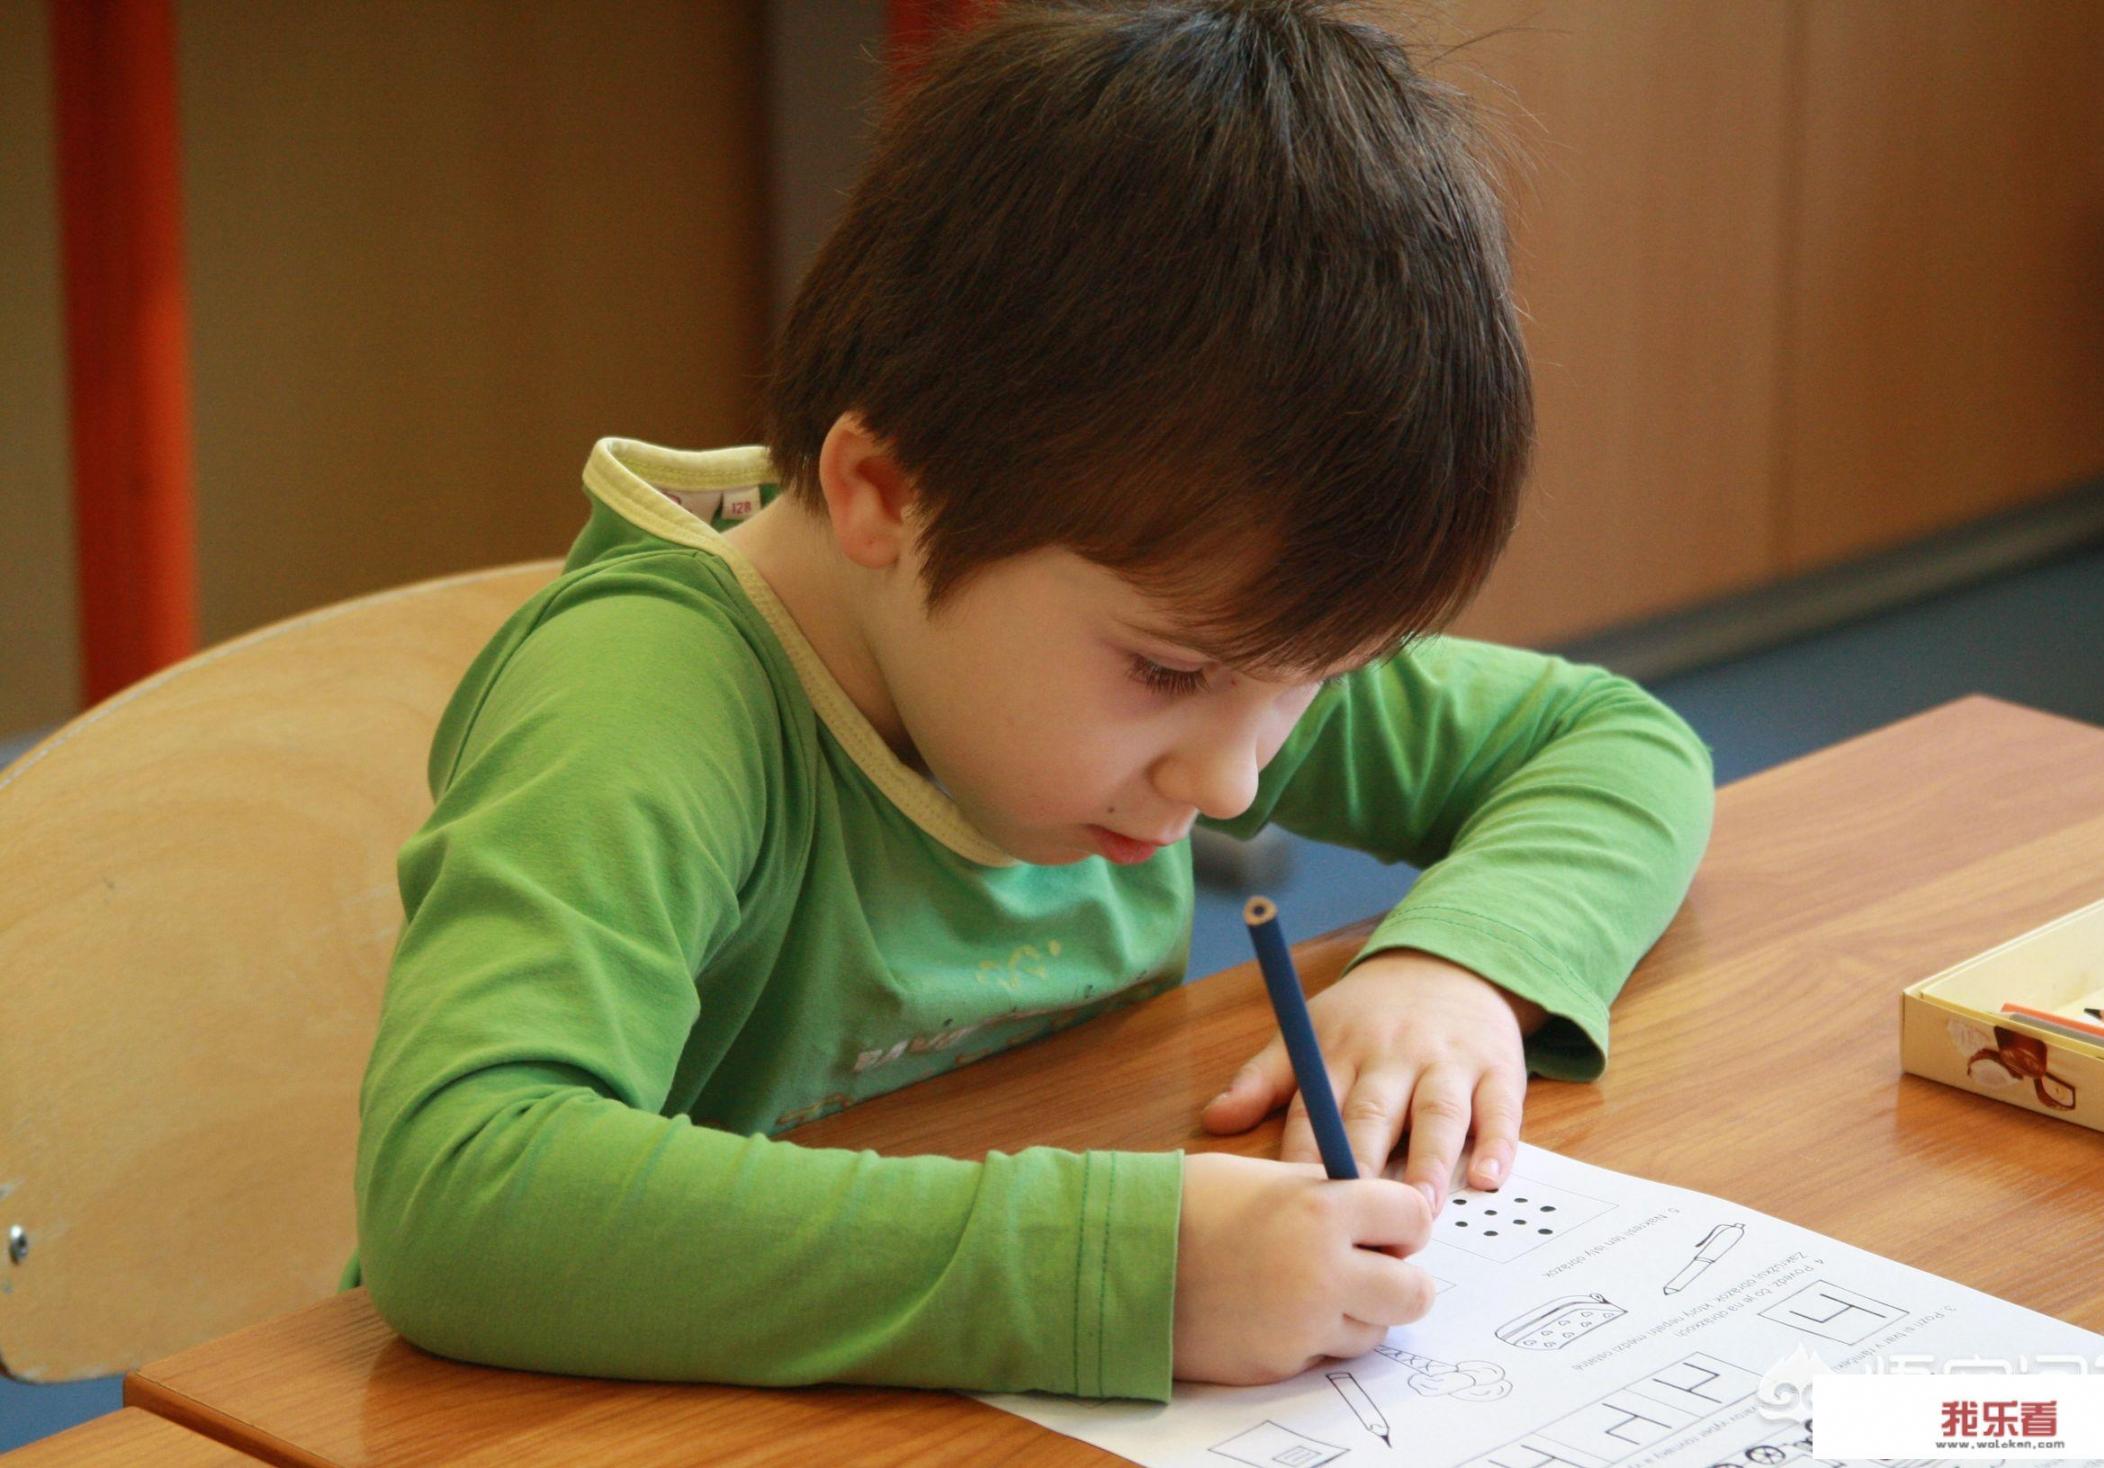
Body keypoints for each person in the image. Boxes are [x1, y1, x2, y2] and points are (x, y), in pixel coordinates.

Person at [348, 0, 1716, 1402]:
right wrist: (1107, 1274)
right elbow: (464, 1192)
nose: (1234, 783)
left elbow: (1609, 743)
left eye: (1317, 683)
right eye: (1171, 675)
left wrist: (1459, 968)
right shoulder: (646, 705)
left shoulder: (1176, 631)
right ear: (884, 494)